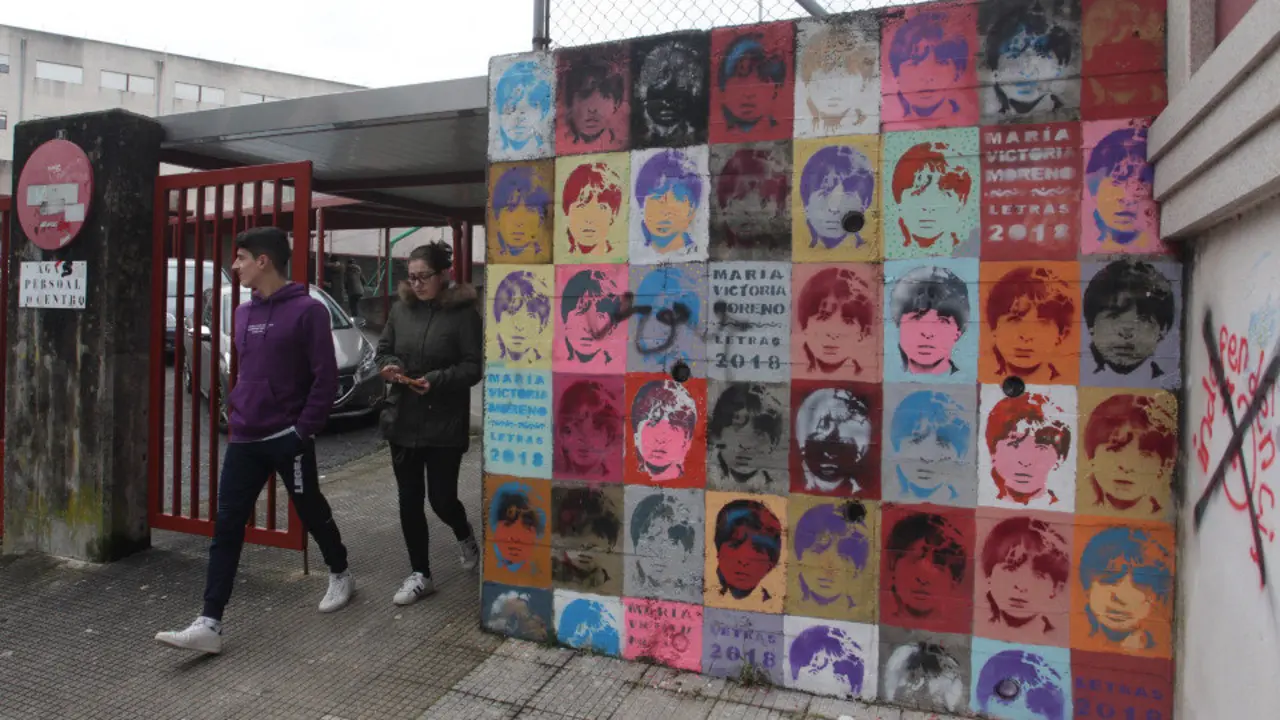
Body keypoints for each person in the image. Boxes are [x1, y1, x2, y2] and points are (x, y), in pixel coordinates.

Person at [155, 227, 352, 655]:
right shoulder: (243, 312)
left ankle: (340, 570)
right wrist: (238, 409)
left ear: (264, 260)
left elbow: (326, 376)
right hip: (245, 435)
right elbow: (244, 372)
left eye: (241, 257)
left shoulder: (307, 311)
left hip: (288, 436)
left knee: (311, 509)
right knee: (227, 526)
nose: (235, 265)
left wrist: (303, 430)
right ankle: (210, 622)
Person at [375, 241, 483, 606]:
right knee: (409, 500)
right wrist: (390, 367)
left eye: (424, 277)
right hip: (403, 417)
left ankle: (463, 532)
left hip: (444, 422)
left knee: (442, 498)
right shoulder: (401, 309)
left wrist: (437, 379)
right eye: (411, 277)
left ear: (444, 275)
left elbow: (473, 367)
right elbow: (384, 348)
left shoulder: (465, 313)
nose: (417, 284)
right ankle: (420, 573)